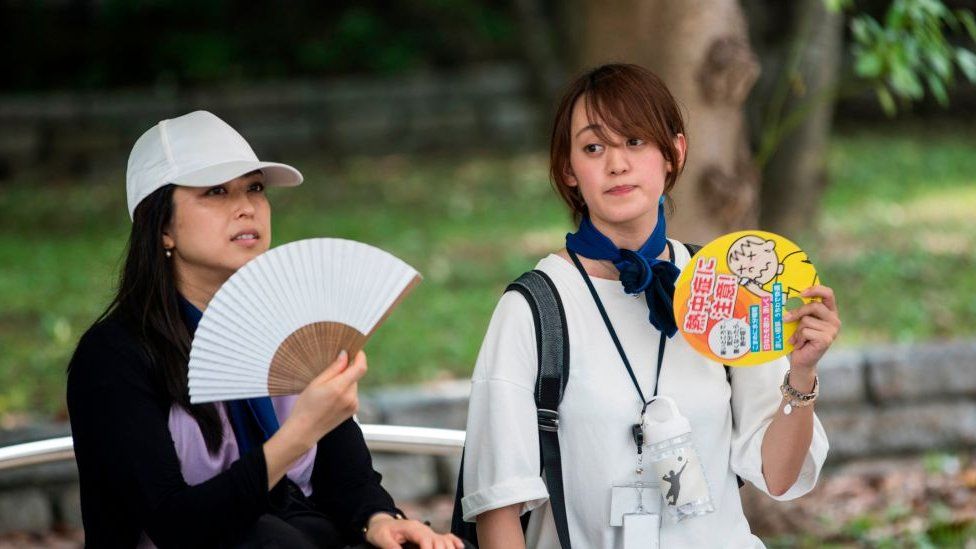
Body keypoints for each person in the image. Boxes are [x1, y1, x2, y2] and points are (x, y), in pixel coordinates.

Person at [459, 64, 838, 548]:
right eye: (594, 147)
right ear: (568, 170)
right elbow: (498, 507)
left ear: (673, 153)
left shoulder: (722, 286)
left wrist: (801, 376)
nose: (617, 164)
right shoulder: (534, 307)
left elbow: (778, 477)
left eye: (635, 142)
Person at [66, 110, 467, 549]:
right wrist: (297, 435)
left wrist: (378, 518)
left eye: (254, 188)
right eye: (216, 192)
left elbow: (347, 478)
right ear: (162, 226)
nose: (245, 207)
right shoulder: (113, 356)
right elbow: (174, 523)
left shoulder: (292, 328)